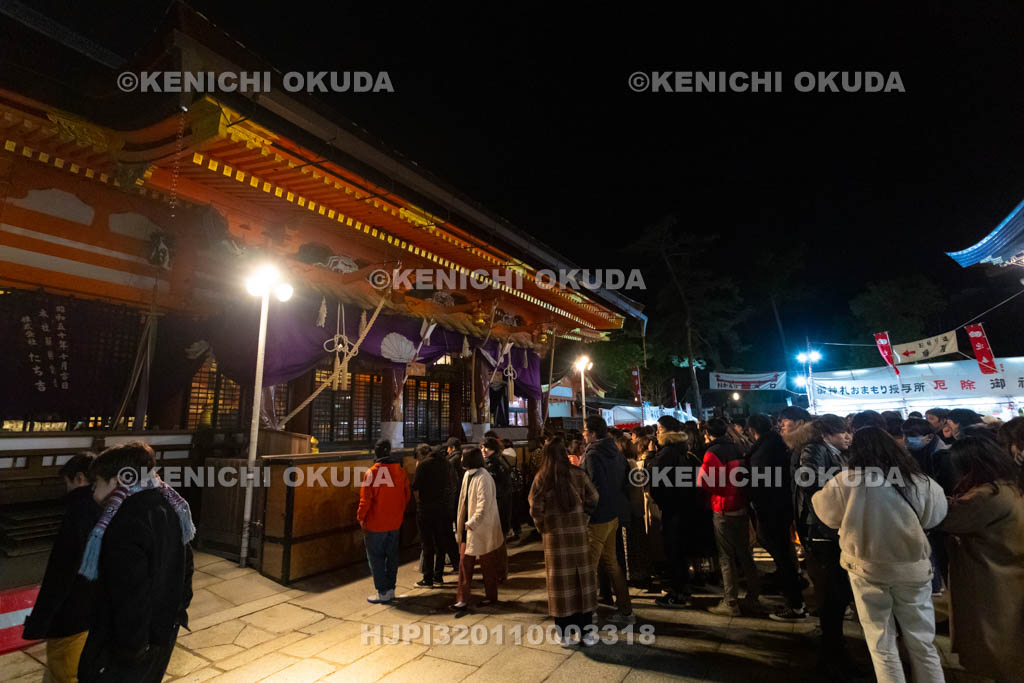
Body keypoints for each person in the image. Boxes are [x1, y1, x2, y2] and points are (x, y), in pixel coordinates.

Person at [812, 427, 947, 683]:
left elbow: (826, 514)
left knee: (881, 642)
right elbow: (934, 517)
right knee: (922, 642)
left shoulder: (845, 481)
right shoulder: (920, 481)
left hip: (867, 569)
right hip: (913, 568)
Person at [76, 443, 194, 683]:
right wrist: (177, 611)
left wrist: (130, 650)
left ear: (118, 480)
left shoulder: (125, 520)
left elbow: (130, 593)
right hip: (163, 630)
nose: (93, 490)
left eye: (97, 482)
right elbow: (187, 565)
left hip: (129, 644)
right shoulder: (170, 504)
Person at [938, 436, 1024, 682]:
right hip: (1008, 572)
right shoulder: (1009, 486)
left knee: (1000, 643)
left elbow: (949, 519)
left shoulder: (988, 495)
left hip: (993, 579)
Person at [793, 414, 862, 678]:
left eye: (848, 432)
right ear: (826, 434)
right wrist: (843, 482)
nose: (848, 436)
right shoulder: (815, 450)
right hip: (823, 529)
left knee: (837, 593)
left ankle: (833, 650)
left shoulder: (833, 452)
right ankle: (833, 654)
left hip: (831, 527)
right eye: (842, 432)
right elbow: (809, 482)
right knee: (833, 593)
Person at [23, 453, 100, 683]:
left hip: (72, 615)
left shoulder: (79, 512)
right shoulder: (109, 507)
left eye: (67, 483)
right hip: (94, 611)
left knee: (66, 671)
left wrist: (40, 621)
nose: (66, 489)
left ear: (80, 478)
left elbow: (60, 574)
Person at [529, 437, 601, 647]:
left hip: (555, 539)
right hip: (578, 534)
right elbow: (594, 497)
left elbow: (535, 509)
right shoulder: (578, 474)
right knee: (582, 582)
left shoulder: (542, 478)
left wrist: (543, 528)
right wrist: (584, 517)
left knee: (561, 585)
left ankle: (565, 633)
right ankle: (586, 632)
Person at [745, 414, 806, 621]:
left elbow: (760, 482)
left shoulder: (765, 449)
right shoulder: (775, 444)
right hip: (779, 507)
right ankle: (793, 592)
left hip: (772, 509)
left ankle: (795, 603)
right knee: (783, 553)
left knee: (781, 555)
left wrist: (754, 501)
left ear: (752, 430)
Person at [698, 418, 761, 617]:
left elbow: (706, 482)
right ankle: (753, 597)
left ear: (707, 434)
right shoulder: (738, 448)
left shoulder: (712, 452)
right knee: (745, 554)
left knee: (726, 557)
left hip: (723, 507)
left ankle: (730, 601)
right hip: (742, 505)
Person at [581, 415, 635, 624]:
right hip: (613, 513)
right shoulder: (615, 451)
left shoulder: (593, 454)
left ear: (593, 433)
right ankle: (626, 611)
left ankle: (588, 613)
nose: (583, 435)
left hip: (598, 517)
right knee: (612, 563)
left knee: (589, 567)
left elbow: (594, 488)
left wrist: (587, 512)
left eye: (585, 431)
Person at [647, 416, 696, 606]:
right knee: (679, 551)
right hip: (683, 504)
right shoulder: (681, 448)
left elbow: (652, 472)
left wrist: (651, 454)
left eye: (659, 429)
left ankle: (677, 593)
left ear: (667, 431)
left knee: (674, 550)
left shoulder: (667, 452)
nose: (657, 432)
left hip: (673, 506)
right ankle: (683, 589)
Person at [357, 439, 411, 604]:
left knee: (376, 558)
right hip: (395, 522)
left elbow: (365, 500)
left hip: (376, 523)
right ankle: (391, 589)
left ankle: (382, 592)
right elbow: (407, 495)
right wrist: (398, 512)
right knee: (392, 556)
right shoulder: (400, 471)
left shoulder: (372, 473)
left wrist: (361, 517)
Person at [452, 448, 504, 610]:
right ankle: (463, 598)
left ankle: (490, 596)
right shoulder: (468, 475)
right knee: (464, 564)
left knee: (487, 565)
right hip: (469, 528)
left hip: (480, 528)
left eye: (463, 457)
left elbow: (483, 505)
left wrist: (471, 523)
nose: (461, 459)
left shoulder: (483, 477)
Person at [412, 445, 459, 588]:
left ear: (421, 454)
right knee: (440, 544)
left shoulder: (423, 465)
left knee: (427, 545)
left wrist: (417, 468)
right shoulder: (446, 463)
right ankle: (438, 576)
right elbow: (454, 484)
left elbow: (415, 487)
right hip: (443, 509)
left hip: (426, 509)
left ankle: (428, 578)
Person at [616, 435, 650, 587]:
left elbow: (626, 488)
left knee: (630, 545)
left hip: (629, 509)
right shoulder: (634, 463)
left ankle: (633, 575)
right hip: (637, 508)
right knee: (638, 544)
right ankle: (641, 573)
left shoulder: (625, 464)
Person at [482, 437, 512, 580]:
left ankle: (498, 573)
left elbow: (497, 488)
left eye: (486, 447)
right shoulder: (499, 461)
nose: (483, 450)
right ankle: (499, 572)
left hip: (498, 506)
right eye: (482, 447)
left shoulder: (493, 464)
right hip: (502, 506)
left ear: (493, 448)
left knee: (497, 542)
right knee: (498, 542)